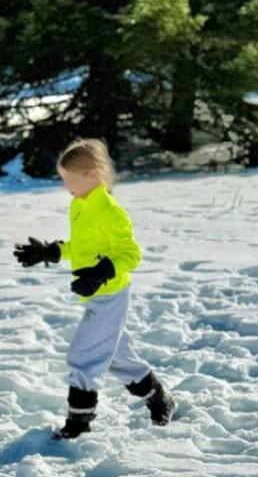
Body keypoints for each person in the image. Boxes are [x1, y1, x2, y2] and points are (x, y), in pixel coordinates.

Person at [14, 137, 175, 440]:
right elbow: (82, 247)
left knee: (85, 355)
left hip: (111, 293)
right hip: (96, 293)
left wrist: (102, 272)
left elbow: (131, 254)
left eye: (68, 180)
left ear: (91, 176)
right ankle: (158, 397)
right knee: (118, 356)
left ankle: (77, 426)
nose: (65, 187)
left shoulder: (110, 212)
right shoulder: (81, 205)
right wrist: (50, 252)